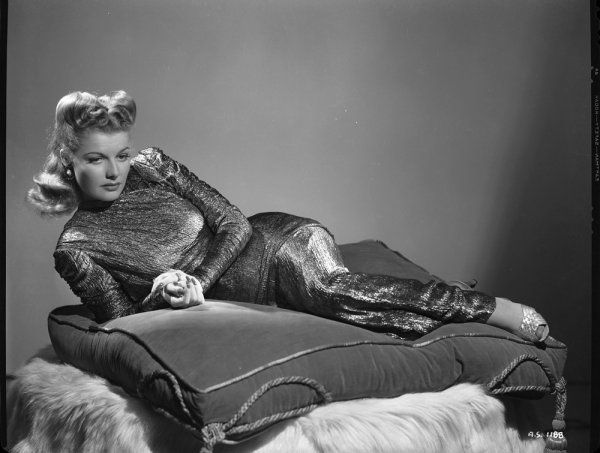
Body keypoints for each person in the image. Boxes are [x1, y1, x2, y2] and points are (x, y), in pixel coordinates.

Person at [27, 90, 549, 342]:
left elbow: (234, 223)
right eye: (95, 159)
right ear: (68, 160)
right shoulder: (76, 248)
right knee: (371, 322)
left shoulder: (153, 165)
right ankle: (445, 304)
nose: (114, 170)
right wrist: (168, 294)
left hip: (276, 243)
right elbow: (121, 320)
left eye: (120, 154)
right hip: (256, 299)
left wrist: (199, 280)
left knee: (328, 291)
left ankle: (486, 307)